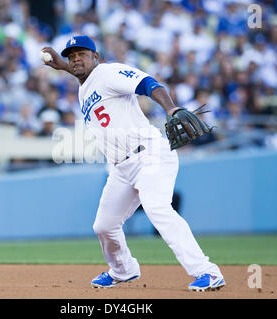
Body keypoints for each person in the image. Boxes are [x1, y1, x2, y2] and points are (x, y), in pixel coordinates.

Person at [42, 35, 225, 292]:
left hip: (149, 155)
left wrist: (171, 109)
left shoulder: (108, 72)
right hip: (120, 168)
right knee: (104, 226)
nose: (76, 59)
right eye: (72, 56)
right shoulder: (85, 87)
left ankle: (207, 271)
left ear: (96, 57)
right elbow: (82, 75)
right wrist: (63, 66)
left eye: (82, 54)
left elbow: (148, 83)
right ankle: (123, 270)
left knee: (157, 209)